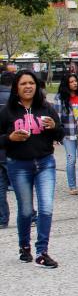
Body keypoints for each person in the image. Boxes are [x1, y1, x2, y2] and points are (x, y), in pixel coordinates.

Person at [0, 70, 64, 268]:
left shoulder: (46, 107)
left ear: (36, 86)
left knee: (46, 207)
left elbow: (60, 134)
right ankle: (24, 246)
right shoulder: (7, 111)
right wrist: (9, 138)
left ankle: (42, 252)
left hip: (45, 163)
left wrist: (54, 127)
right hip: (19, 165)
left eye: (31, 83)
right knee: (26, 210)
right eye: (23, 83)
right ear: (16, 88)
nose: (28, 87)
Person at [53, 74, 78, 196]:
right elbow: (57, 117)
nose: (74, 83)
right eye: (71, 82)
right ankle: (72, 186)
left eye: (75, 81)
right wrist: (58, 135)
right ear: (66, 84)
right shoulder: (60, 97)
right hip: (68, 133)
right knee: (71, 159)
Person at [0, 72, 12, 228]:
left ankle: (3, 218)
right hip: (13, 148)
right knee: (21, 185)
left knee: (1, 186)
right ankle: (31, 215)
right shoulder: (15, 100)